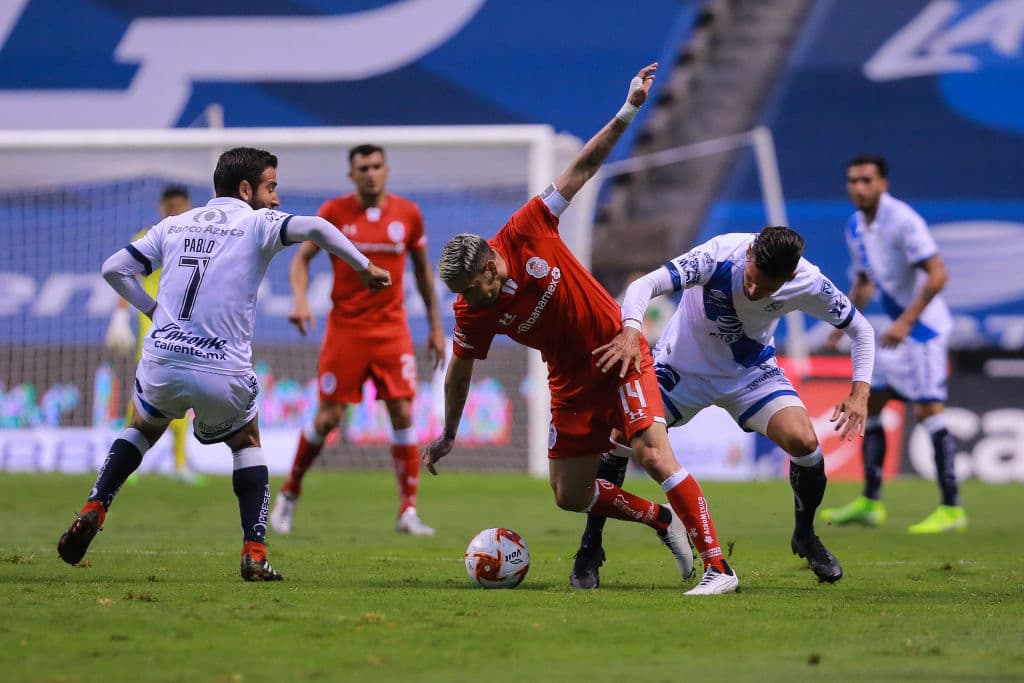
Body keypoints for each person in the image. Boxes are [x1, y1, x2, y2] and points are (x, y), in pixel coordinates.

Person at [425, 63, 738, 596]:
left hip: (620, 350)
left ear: (488, 264)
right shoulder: (471, 311)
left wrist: (629, 108)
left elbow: (585, 165)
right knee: (569, 494)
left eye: (472, 287)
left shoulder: (527, 227)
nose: (468, 299)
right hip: (568, 379)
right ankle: (660, 520)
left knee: (653, 453)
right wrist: (450, 432)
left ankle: (719, 567)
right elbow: (458, 372)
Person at [57, 147, 392, 581]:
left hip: (163, 359)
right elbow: (318, 227)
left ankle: (95, 505)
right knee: (247, 441)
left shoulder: (174, 224)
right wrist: (364, 267)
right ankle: (254, 551)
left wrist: (152, 310)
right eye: (271, 188)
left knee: (142, 426)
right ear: (246, 188)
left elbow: (113, 269)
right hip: (223, 368)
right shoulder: (257, 222)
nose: (275, 199)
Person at [583, 226, 875, 586]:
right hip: (680, 373)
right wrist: (630, 329)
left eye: (768, 288)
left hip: (749, 376)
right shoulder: (717, 255)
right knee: (619, 437)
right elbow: (643, 286)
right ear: (749, 254)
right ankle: (590, 547)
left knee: (806, 443)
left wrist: (860, 391)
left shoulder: (809, 282)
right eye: (752, 278)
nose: (754, 290)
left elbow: (861, 330)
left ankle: (806, 535)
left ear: (790, 278)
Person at [269, 145, 445, 537]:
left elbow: (422, 274)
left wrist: (435, 326)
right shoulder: (333, 212)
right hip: (346, 330)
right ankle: (289, 494)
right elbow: (300, 260)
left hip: (392, 330)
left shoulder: (408, 215)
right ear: (351, 175)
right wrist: (300, 300)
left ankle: (408, 511)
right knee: (329, 417)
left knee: (402, 412)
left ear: (387, 169)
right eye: (362, 168)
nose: (371, 173)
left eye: (377, 166)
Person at [820, 155, 966, 533]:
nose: (859, 187)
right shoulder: (856, 226)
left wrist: (906, 321)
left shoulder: (903, 220)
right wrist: (844, 321)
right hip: (892, 331)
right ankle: (871, 502)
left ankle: (952, 508)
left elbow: (938, 275)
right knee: (875, 404)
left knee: (928, 411)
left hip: (922, 331)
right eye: (853, 180)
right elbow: (866, 280)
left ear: (883, 183)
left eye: (867, 180)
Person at [105, 184, 203, 484]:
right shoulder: (149, 237)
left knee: (185, 395)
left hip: (187, 327)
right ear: (162, 208)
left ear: (188, 205)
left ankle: (180, 463)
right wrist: (120, 317)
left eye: (180, 205)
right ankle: (123, 459)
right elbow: (126, 275)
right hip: (153, 324)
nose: (175, 210)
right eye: (170, 206)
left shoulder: (198, 238)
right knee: (144, 391)